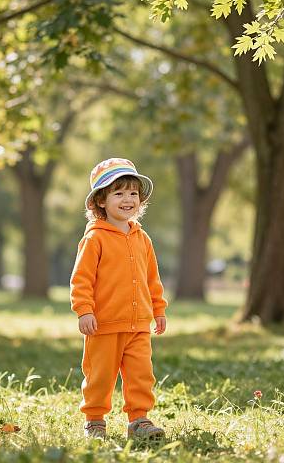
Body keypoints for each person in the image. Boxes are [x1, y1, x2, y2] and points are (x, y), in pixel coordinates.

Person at [70, 157, 168, 441]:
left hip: (138, 324)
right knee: (99, 375)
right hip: (103, 324)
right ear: (101, 201)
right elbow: (82, 278)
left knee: (141, 375)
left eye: (133, 193)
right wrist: (84, 310)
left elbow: (152, 278)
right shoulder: (95, 239)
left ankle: (139, 419)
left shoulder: (142, 239)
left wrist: (158, 309)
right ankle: (95, 420)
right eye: (119, 193)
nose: (128, 199)